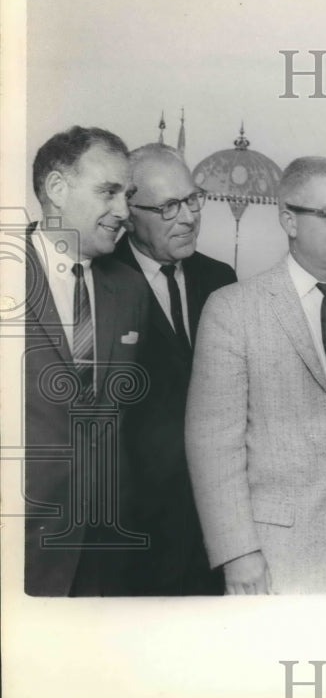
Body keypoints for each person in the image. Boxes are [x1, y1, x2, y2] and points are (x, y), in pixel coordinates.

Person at [185, 157, 326, 594]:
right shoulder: (233, 309)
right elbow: (213, 443)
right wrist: (237, 552)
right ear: (289, 219)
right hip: (277, 557)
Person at [23, 125, 150, 596]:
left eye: (128, 194)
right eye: (108, 192)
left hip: (105, 553)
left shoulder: (130, 291)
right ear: (57, 189)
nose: (123, 211)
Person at [114, 143, 236, 595]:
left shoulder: (220, 279)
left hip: (212, 518)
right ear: (128, 212)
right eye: (168, 207)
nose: (187, 217)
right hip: (134, 528)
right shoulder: (100, 280)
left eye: (191, 200)